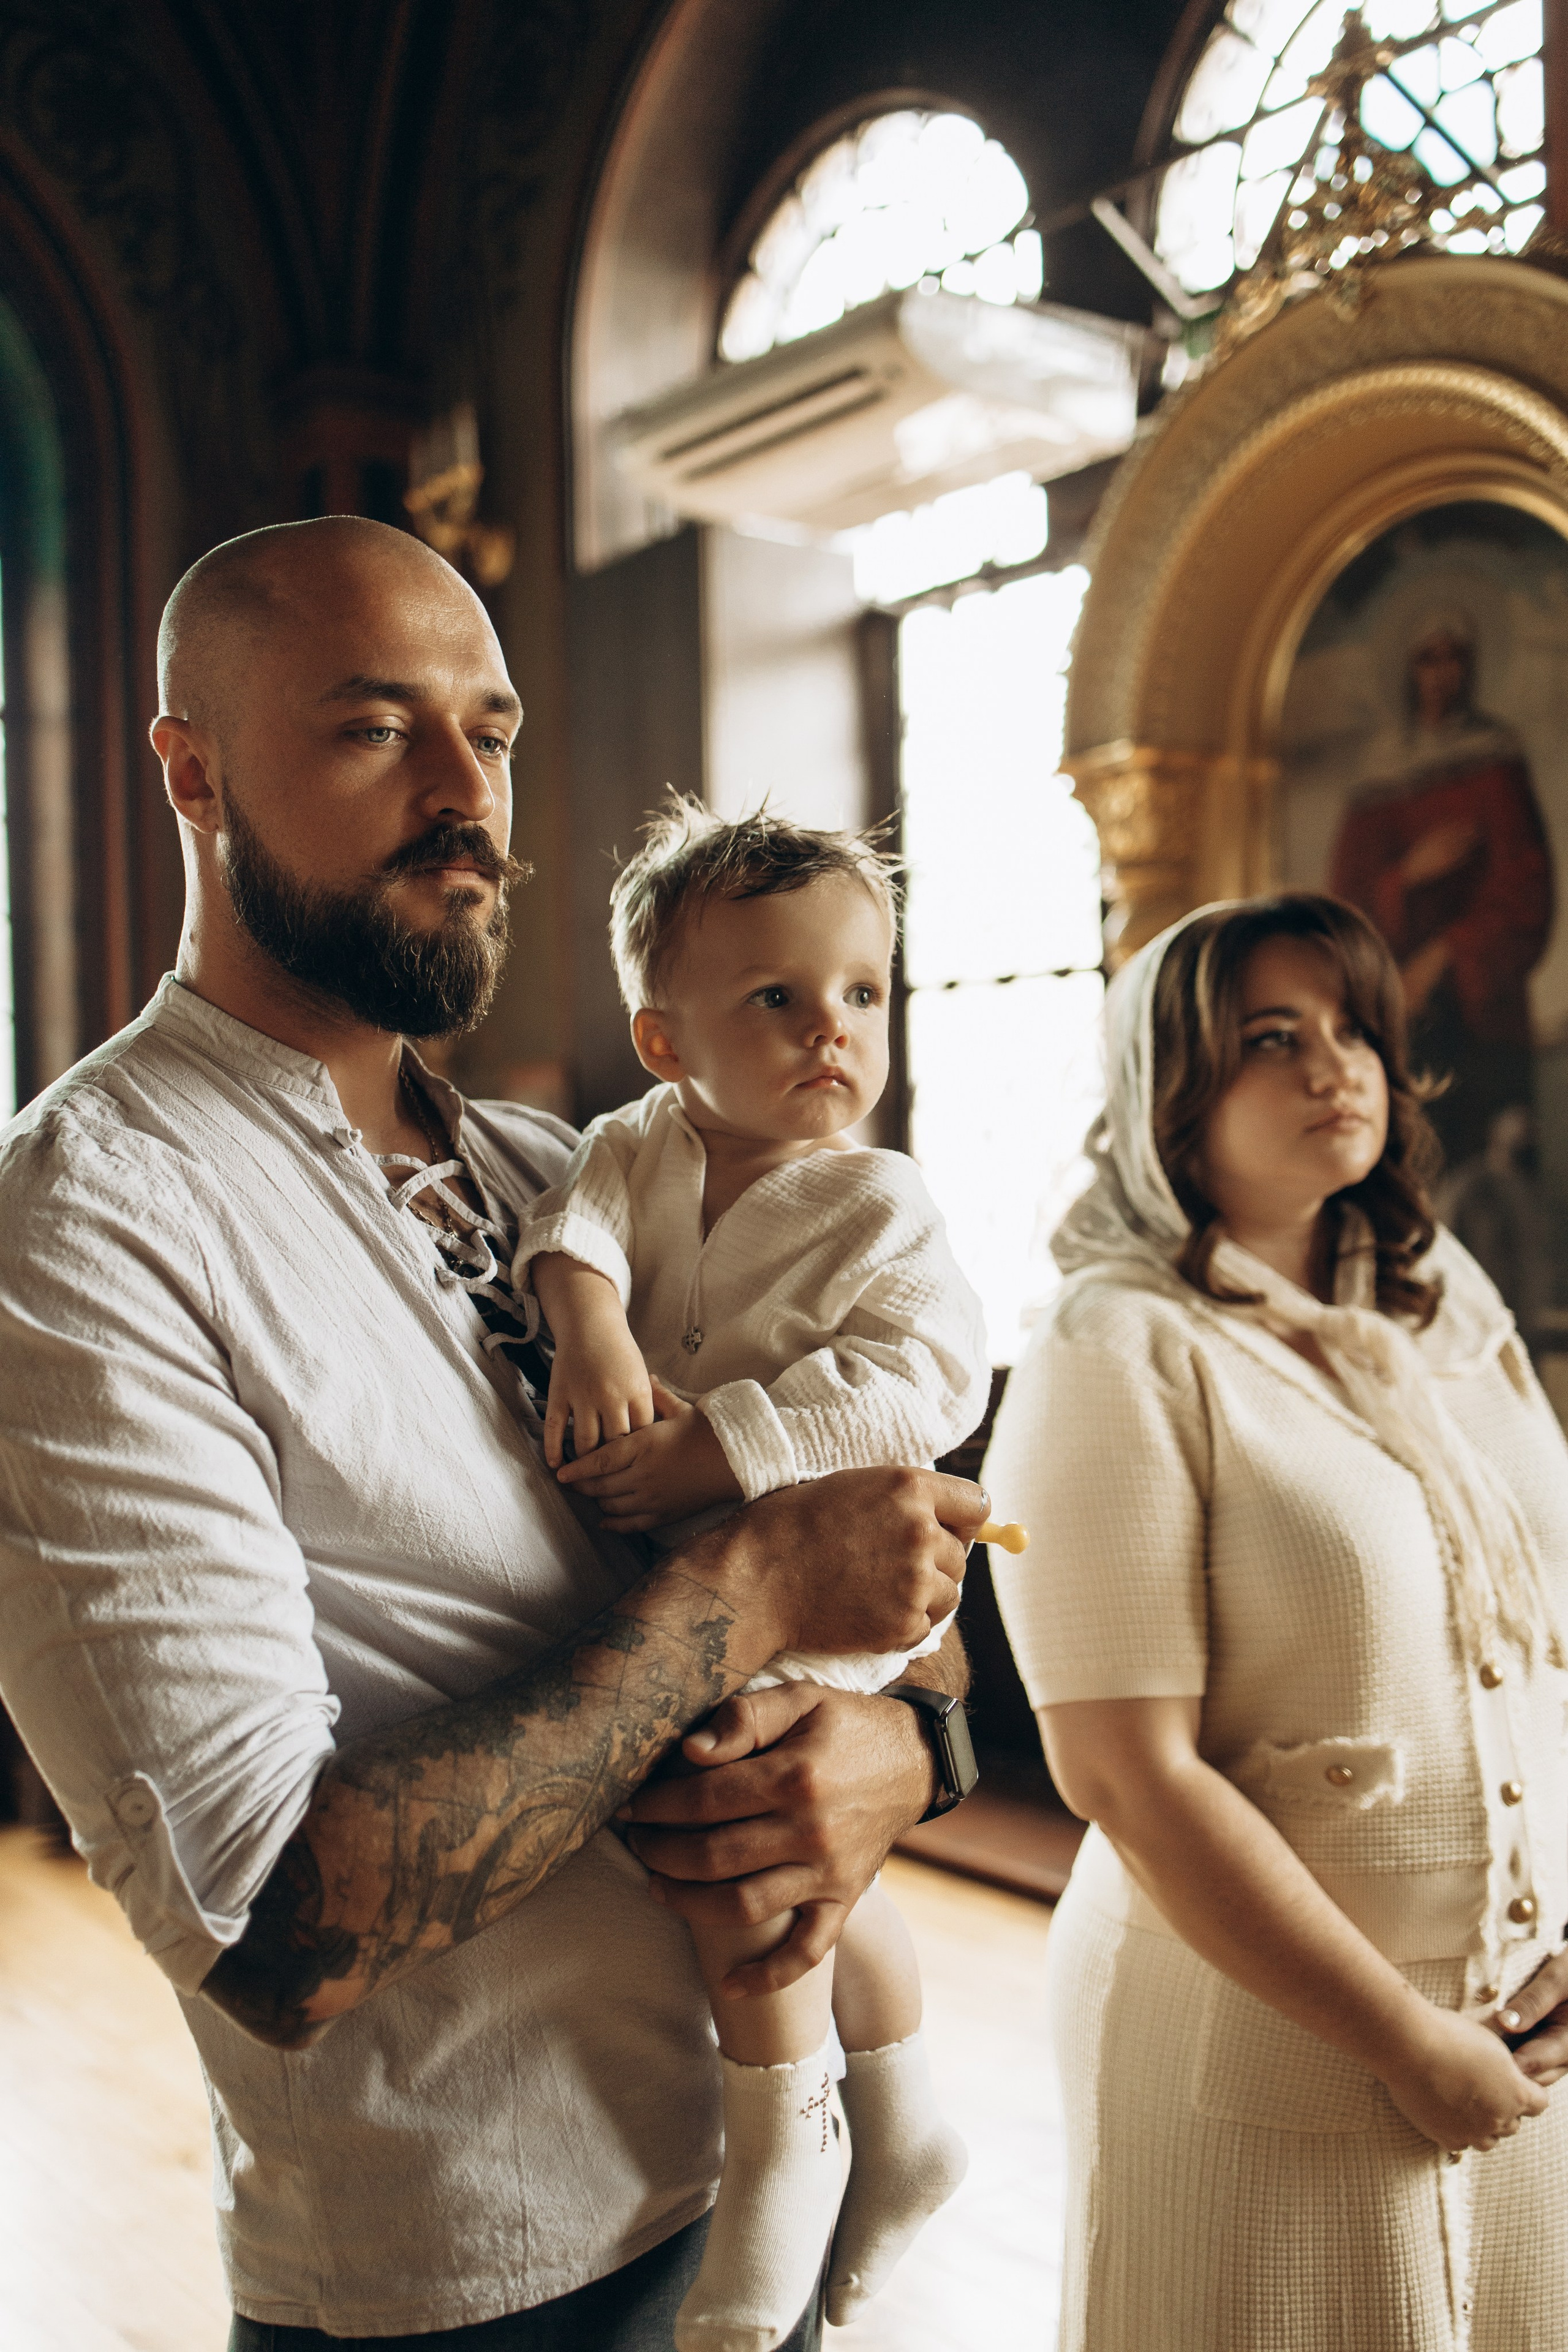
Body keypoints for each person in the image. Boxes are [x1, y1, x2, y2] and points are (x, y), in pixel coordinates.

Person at [0, 516, 987, 2350]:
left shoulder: (578, 1181)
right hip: (481, 2276)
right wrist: (756, 1579)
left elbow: (895, 1581)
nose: (469, 796)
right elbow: (272, 1922)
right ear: (192, 768)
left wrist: (899, 1746)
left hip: (776, 2171)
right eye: (378, 728)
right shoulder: (90, 1219)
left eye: (495, 727)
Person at [985, 891, 1568, 2352]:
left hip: (1522, 2014)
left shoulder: (1444, 1307)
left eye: (1353, 1028)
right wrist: (1401, 2036)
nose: (1336, 1065)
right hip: (1257, 2039)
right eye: (1269, 1037)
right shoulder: (1108, 1344)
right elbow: (1125, 1773)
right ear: (1166, 1095)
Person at [514, 799, 987, 2349]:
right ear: (664, 1039)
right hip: (680, 1567)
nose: (829, 1030)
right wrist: (590, 1332)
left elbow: (923, 1385)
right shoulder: (631, 1146)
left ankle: (790, 2149)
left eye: (861, 993)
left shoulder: (878, 1201)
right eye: (773, 998)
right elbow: (570, 1231)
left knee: (741, 1838)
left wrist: (718, 1443)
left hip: (825, 1575)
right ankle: (907, 2117)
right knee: (820, 1865)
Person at [1328, 607, 1553, 1169]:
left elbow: (1525, 888)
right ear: (1407, 670)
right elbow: (1344, 904)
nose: (1442, 673)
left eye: (1454, 657)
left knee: (1495, 1176)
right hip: (1401, 1011)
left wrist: (1446, 952)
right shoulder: (1376, 773)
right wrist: (1407, 878)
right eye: (1429, 658)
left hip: (1484, 1005)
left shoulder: (1494, 757)